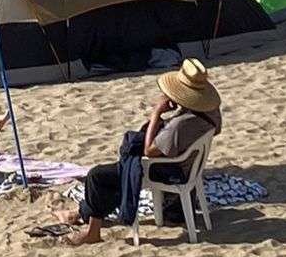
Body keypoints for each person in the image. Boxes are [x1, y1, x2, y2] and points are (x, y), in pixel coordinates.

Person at [60, 59, 222, 246]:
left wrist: (156, 114)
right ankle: (81, 213)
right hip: (189, 166)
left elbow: (150, 150)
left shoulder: (180, 125)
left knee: (98, 176)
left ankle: (91, 229)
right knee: (115, 173)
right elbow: (212, 131)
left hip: (169, 169)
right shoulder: (211, 113)